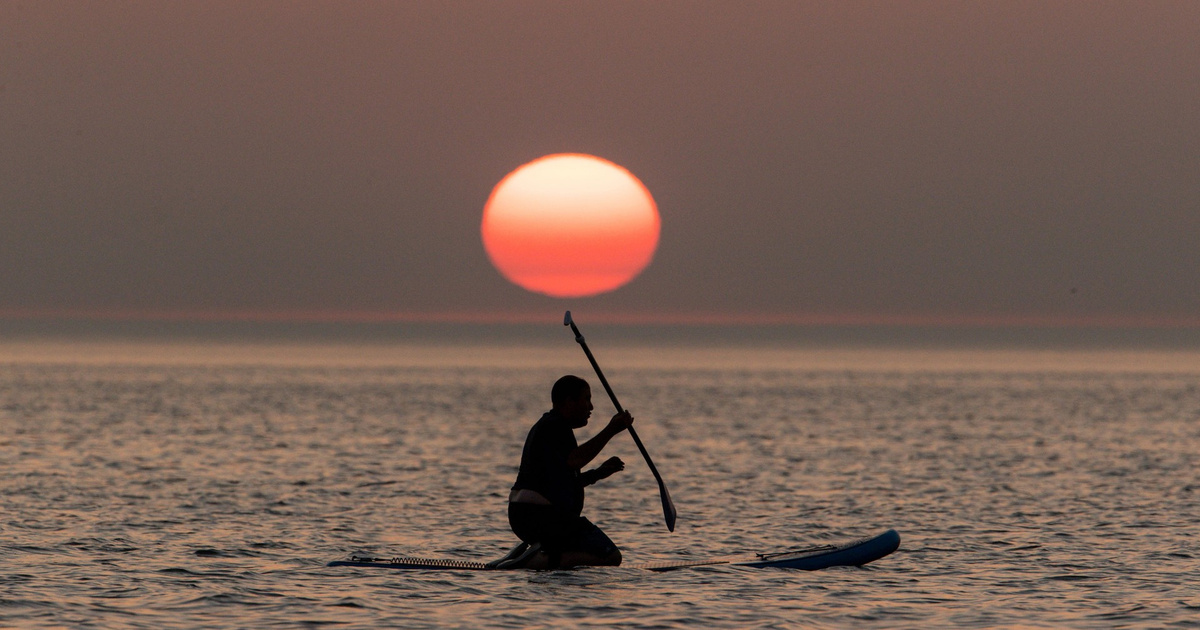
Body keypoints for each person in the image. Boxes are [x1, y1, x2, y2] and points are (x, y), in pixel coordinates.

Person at [488, 374, 633, 569]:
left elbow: (560, 480)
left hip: (525, 516)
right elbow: (575, 460)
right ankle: (534, 560)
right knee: (611, 556)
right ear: (569, 402)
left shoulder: (550, 425)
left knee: (580, 552)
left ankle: (532, 554)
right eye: (587, 399)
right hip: (543, 518)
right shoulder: (554, 426)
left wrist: (597, 474)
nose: (591, 407)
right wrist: (611, 430)